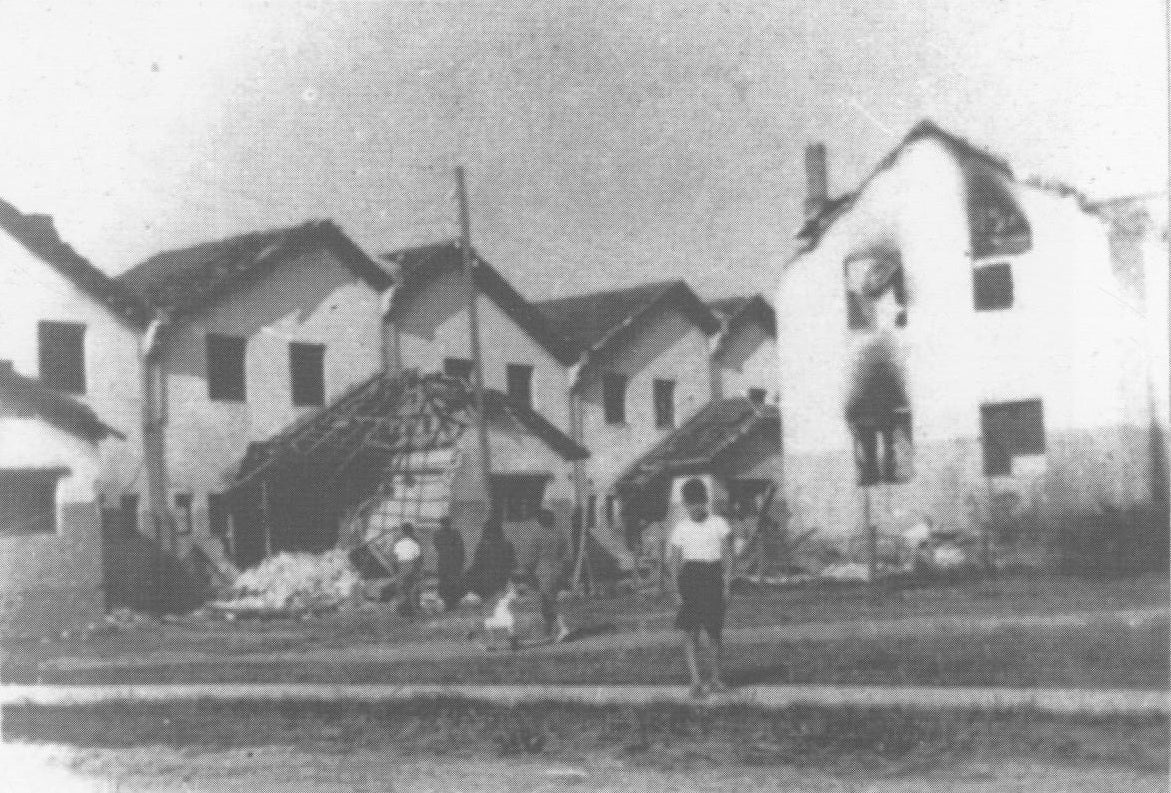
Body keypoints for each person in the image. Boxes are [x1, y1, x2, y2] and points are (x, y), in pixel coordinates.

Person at [667, 478, 733, 698]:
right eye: (690, 503)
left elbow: (727, 555)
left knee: (714, 632)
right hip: (691, 580)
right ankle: (695, 681)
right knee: (691, 633)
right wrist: (676, 591)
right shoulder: (681, 528)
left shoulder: (719, 524)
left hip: (713, 577)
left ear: (706, 501)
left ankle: (716, 679)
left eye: (699, 502)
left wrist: (727, 583)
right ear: (685, 504)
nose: (695, 507)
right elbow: (674, 562)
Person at [522, 508, 568, 640]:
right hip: (558, 569)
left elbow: (532, 557)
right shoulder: (559, 533)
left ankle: (554, 629)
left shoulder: (537, 535)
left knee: (547, 601)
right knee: (556, 599)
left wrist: (528, 569)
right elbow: (565, 551)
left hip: (544, 570)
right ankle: (556, 628)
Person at [433, 516, 466, 612]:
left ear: (441, 523)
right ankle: (453, 603)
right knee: (454, 582)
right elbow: (461, 548)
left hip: (443, 561)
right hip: (454, 562)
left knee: (444, 582)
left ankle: (447, 603)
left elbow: (437, 547)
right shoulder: (456, 533)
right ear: (450, 523)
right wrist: (461, 560)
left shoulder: (437, 533)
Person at [392, 523, 423, 618]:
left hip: (402, 567)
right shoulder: (415, 543)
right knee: (412, 589)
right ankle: (412, 610)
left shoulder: (398, 544)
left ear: (402, 532)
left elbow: (395, 559)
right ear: (411, 532)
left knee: (402, 590)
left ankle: (402, 610)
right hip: (412, 566)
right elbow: (419, 558)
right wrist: (418, 570)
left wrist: (396, 571)